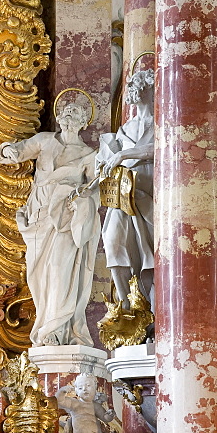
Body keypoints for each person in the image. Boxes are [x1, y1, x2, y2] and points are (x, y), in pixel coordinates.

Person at [0, 101, 101, 346]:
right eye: (67, 111)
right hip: (39, 217)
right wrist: (8, 151)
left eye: (76, 111)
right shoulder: (44, 140)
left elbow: (94, 191)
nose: (70, 113)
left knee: (60, 270)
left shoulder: (89, 155)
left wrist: (81, 202)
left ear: (84, 122)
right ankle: (45, 322)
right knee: (38, 275)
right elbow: (14, 152)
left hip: (66, 219)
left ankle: (56, 329)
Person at [95, 69, 155, 309]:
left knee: (150, 252)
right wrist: (103, 162)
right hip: (122, 196)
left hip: (149, 193)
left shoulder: (162, 124)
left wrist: (123, 154)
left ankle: (152, 310)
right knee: (112, 240)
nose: (136, 91)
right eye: (134, 86)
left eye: (143, 86)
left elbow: (155, 150)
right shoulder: (125, 129)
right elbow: (105, 160)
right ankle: (125, 307)